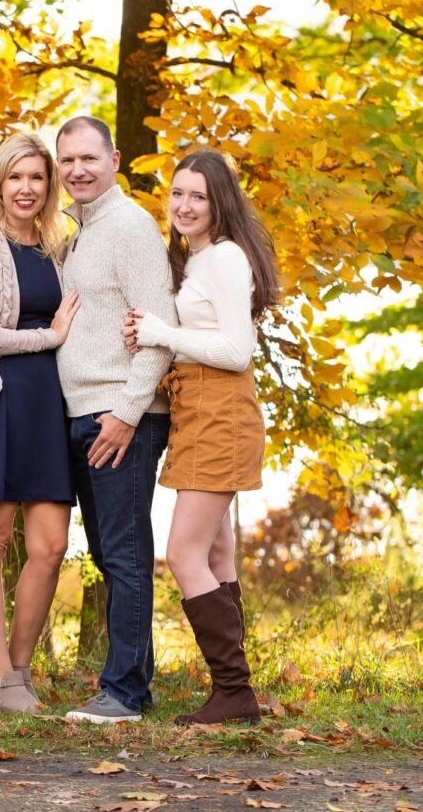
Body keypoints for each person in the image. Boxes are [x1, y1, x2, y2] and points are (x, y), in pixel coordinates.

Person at [123, 148, 279, 725]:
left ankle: (234, 691)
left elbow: (237, 351)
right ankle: (233, 692)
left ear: (220, 204)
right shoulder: (199, 258)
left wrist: (163, 330)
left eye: (199, 197)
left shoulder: (225, 260)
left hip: (220, 407)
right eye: (178, 194)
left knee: (184, 551)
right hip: (202, 404)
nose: (185, 206)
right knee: (215, 550)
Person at [55, 116, 175, 724]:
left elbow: (157, 332)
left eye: (88, 159)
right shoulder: (76, 233)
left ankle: (125, 691)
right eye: (67, 160)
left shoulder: (131, 226)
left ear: (115, 159)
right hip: (83, 413)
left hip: (119, 414)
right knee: (109, 554)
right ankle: (132, 682)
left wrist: (127, 415)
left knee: (125, 553)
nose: (77, 170)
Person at [0, 133, 80, 714]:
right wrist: (46, 337)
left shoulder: (60, 247)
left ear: (48, 186)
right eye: (15, 178)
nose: (26, 188)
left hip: (50, 406)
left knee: (51, 546)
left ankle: (17, 674)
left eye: (36, 178)